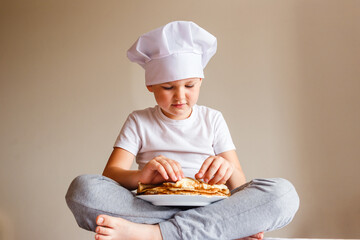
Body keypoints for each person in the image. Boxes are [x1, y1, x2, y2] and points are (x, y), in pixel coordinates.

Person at [65, 21, 300, 240]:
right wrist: (143, 176)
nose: (180, 96)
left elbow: (239, 186)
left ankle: (153, 234)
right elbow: (110, 175)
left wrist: (227, 170)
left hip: (211, 206)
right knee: (82, 190)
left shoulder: (213, 119)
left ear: (200, 80)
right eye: (168, 87)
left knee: (283, 194)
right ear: (150, 86)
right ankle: (216, 230)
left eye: (189, 86)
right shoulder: (139, 121)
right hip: (150, 206)